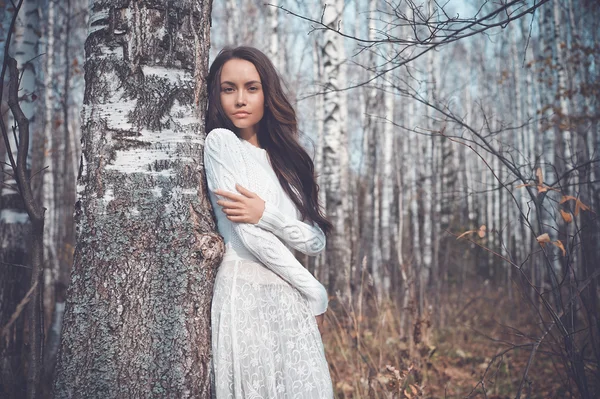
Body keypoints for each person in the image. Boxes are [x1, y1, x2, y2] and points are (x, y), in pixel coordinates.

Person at [203, 46, 334, 398]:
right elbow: (248, 236)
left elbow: (315, 240)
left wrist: (267, 215)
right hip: (245, 294)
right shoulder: (221, 143)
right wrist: (313, 289)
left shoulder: (288, 163)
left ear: (267, 93)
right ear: (216, 95)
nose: (240, 99)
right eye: (228, 89)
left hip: (290, 301)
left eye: (252, 87)